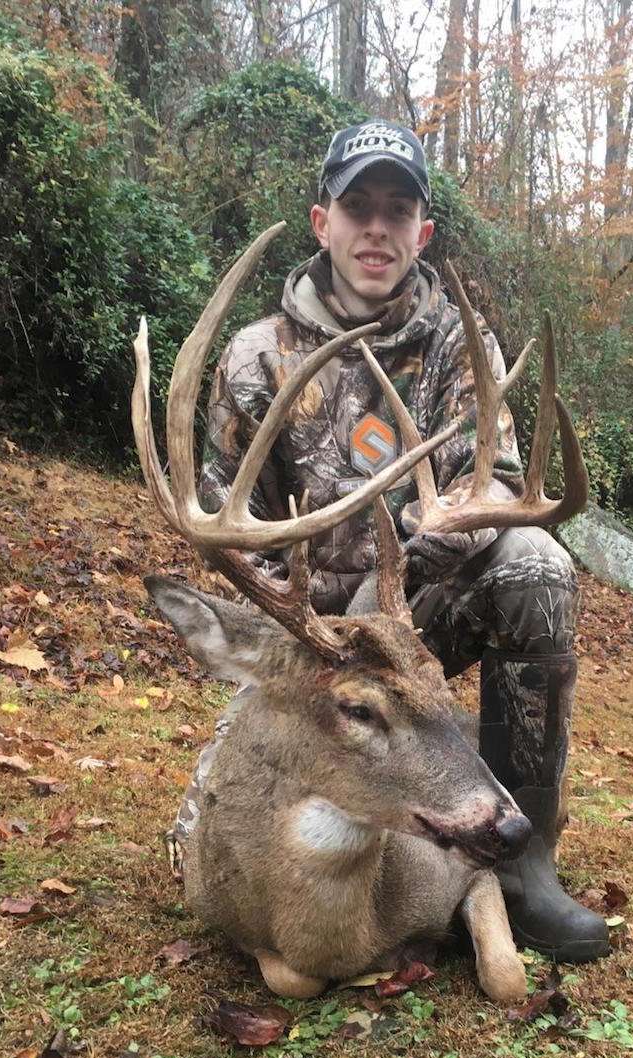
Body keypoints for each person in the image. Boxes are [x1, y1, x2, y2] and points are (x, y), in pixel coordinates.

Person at [165, 120, 609, 964]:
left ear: (423, 232)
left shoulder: (459, 347)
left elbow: (499, 482)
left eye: (397, 210)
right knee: (205, 842)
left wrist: (415, 559)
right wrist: (296, 631)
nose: (377, 228)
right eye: (358, 206)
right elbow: (224, 522)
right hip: (309, 645)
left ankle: (522, 869)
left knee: (537, 567)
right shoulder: (255, 358)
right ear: (322, 222)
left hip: (416, 619)